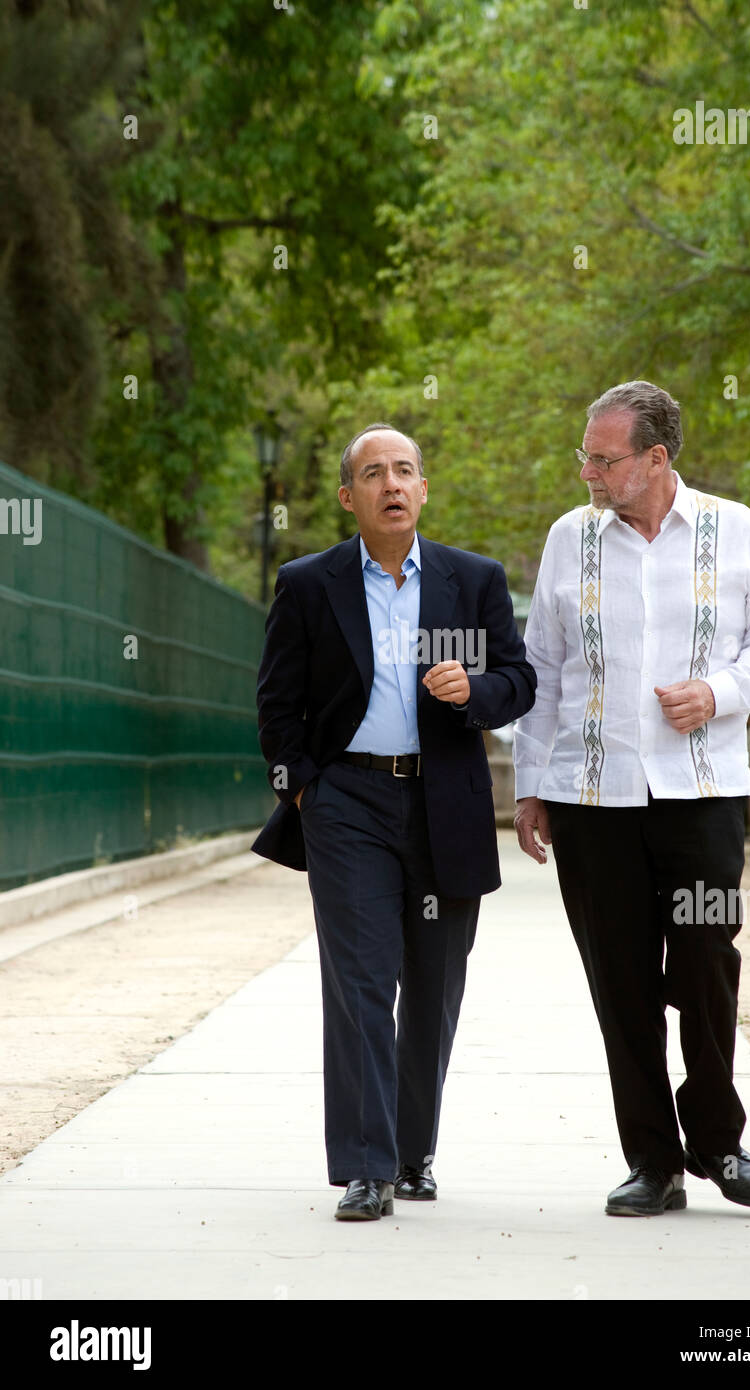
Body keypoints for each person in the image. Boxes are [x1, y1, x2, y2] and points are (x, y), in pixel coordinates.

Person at [513, 381, 750, 1217]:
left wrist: (719, 691)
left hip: (702, 793)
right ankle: (653, 1161)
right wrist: (532, 787)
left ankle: (718, 1141)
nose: (587, 473)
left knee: (707, 960)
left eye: (603, 460)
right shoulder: (570, 539)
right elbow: (543, 669)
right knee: (621, 980)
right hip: (591, 799)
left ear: (655, 458)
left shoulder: (734, 529)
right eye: (584, 457)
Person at [252, 422, 536, 1220]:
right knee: (362, 983)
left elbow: (519, 681)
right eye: (373, 473)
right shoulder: (309, 583)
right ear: (350, 496)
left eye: (404, 470)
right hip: (346, 805)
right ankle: (366, 1168)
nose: (392, 484)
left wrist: (473, 693)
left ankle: (414, 1155)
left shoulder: (471, 579)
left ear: (422, 488)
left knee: (434, 986)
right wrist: (305, 792)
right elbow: (277, 705)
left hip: (442, 805)